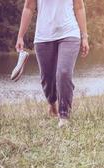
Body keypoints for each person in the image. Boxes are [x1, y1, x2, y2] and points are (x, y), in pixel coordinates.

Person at [15, 0, 89, 128]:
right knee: (47, 79)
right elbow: (28, 7)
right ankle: (52, 102)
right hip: (43, 37)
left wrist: (85, 37)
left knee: (64, 73)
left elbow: (79, 7)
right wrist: (20, 36)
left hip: (69, 33)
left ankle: (64, 115)